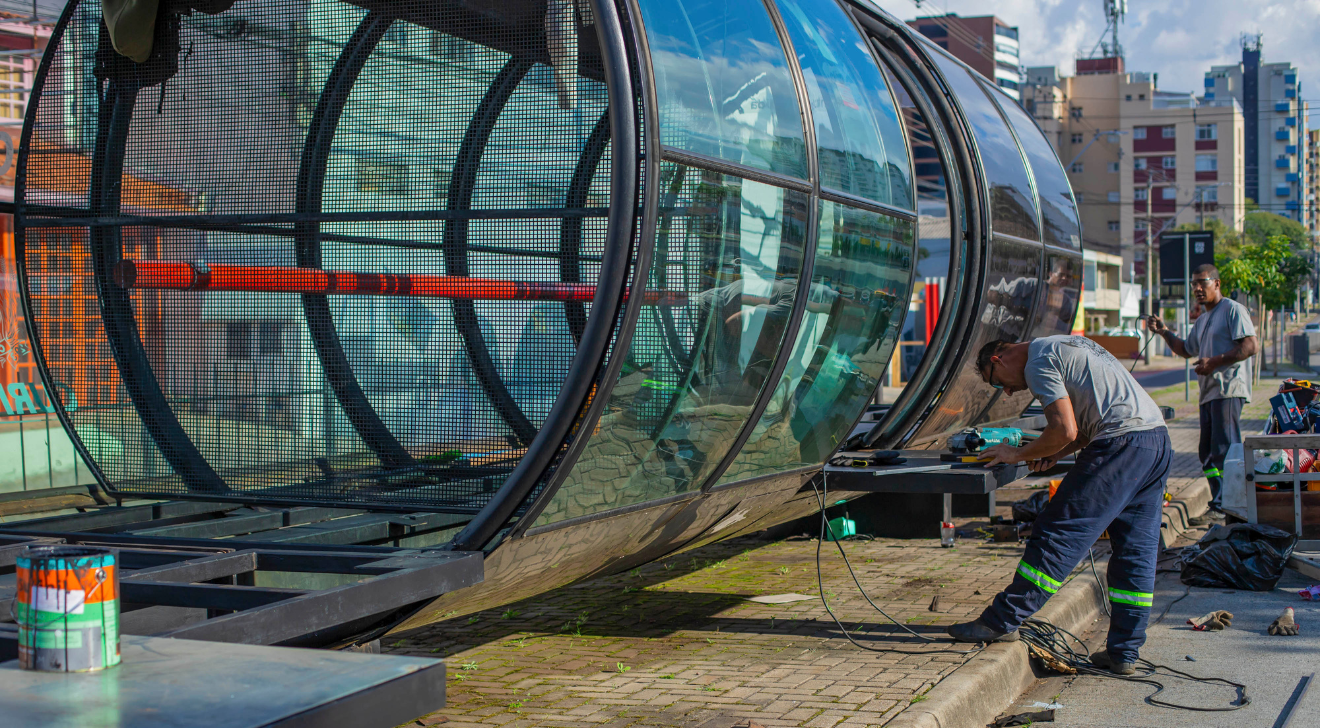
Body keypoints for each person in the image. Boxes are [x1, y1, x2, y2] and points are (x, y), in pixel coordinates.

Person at [946, 336, 1170, 676]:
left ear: (998, 358)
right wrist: (1054, 452)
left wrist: (1016, 454)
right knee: (1135, 552)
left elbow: (1064, 428)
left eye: (999, 383)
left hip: (1121, 445)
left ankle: (1000, 621)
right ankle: (1124, 652)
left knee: (1057, 532)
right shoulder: (1068, 345)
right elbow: (1079, 431)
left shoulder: (1038, 360)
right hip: (1155, 441)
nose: (1008, 392)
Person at [1147, 264, 1258, 523]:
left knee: (1224, 451)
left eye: (1202, 282)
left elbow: (1250, 345)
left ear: (1216, 283)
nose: (1197, 288)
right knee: (1206, 454)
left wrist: (1214, 362)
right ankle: (1220, 501)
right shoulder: (1203, 319)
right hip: (1208, 394)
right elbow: (1186, 349)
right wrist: (1164, 331)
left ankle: (1230, 507)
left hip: (1228, 390)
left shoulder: (1232, 310)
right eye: (1193, 284)